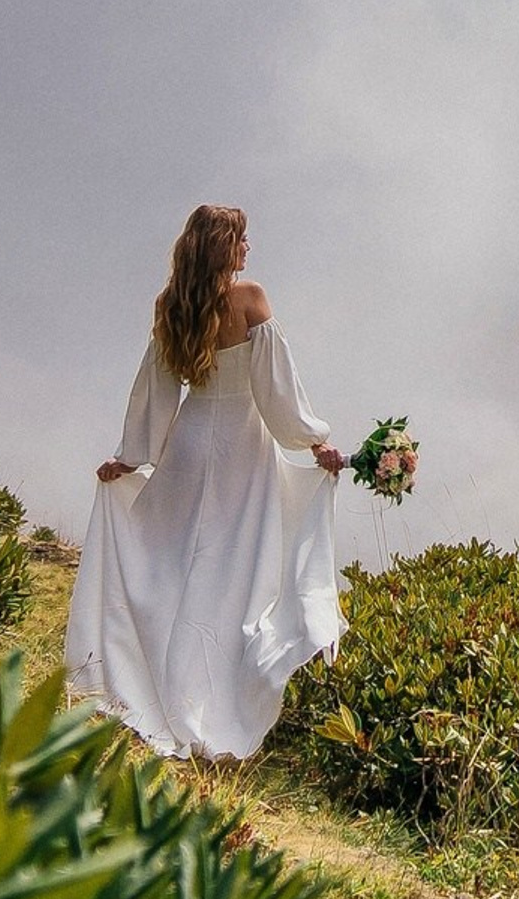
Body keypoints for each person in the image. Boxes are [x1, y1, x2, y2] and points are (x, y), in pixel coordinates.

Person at [65, 203, 348, 758]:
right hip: (243, 450)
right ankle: (214, 692)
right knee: (232, 577)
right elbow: (276, 391)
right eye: (241, 240)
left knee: (176, 566)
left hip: (190, 446)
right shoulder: (250, 300)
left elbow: (156, 388)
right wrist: (313, 441)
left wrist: (130, 457)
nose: (248, 249)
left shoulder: (171, 305)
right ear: (223, 246)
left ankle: (158, 678)